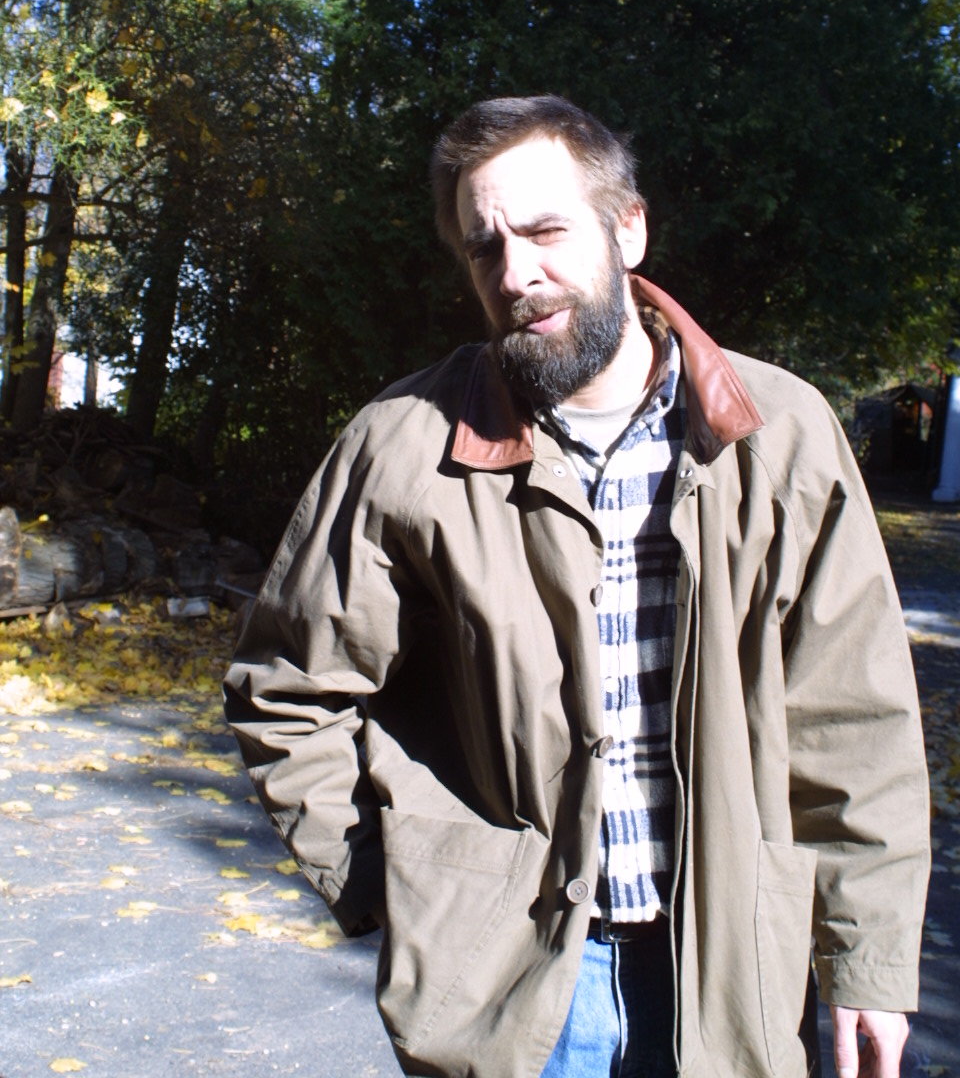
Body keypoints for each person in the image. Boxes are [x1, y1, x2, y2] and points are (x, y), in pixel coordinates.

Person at [224, 95, 929, 1078]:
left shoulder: (778, 433)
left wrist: (866, 960)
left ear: (627, 229)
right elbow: (288, 691)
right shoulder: (403, 446)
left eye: (546, 231)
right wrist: (414, 892)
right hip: (518, 997)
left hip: (735, 972)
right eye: (485, 248)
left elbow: (851, 718)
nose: (516, 274)